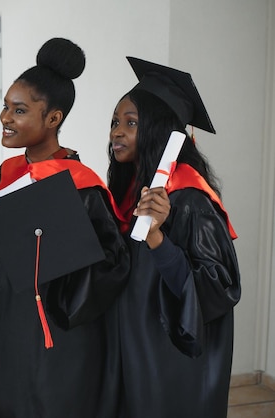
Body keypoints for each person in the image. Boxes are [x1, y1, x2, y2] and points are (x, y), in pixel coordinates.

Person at [0, 38, 129, 417]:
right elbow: (21, 247)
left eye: (19, 110)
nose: (5, 118)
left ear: (53, 119)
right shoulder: (6, 175)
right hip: (8, 321)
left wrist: (63, 299)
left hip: (55, 332)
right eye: (5, 107)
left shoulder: (80, 185)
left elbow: (113, 264)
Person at [103, 56, 241, 417]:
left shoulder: (191, 199)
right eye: (115, 122)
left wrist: (157, 239)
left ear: (160, 130)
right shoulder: (128, 191)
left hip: (170, 357)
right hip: (129, 345)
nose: (117, 131)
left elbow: (217, 288)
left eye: (131, 123)